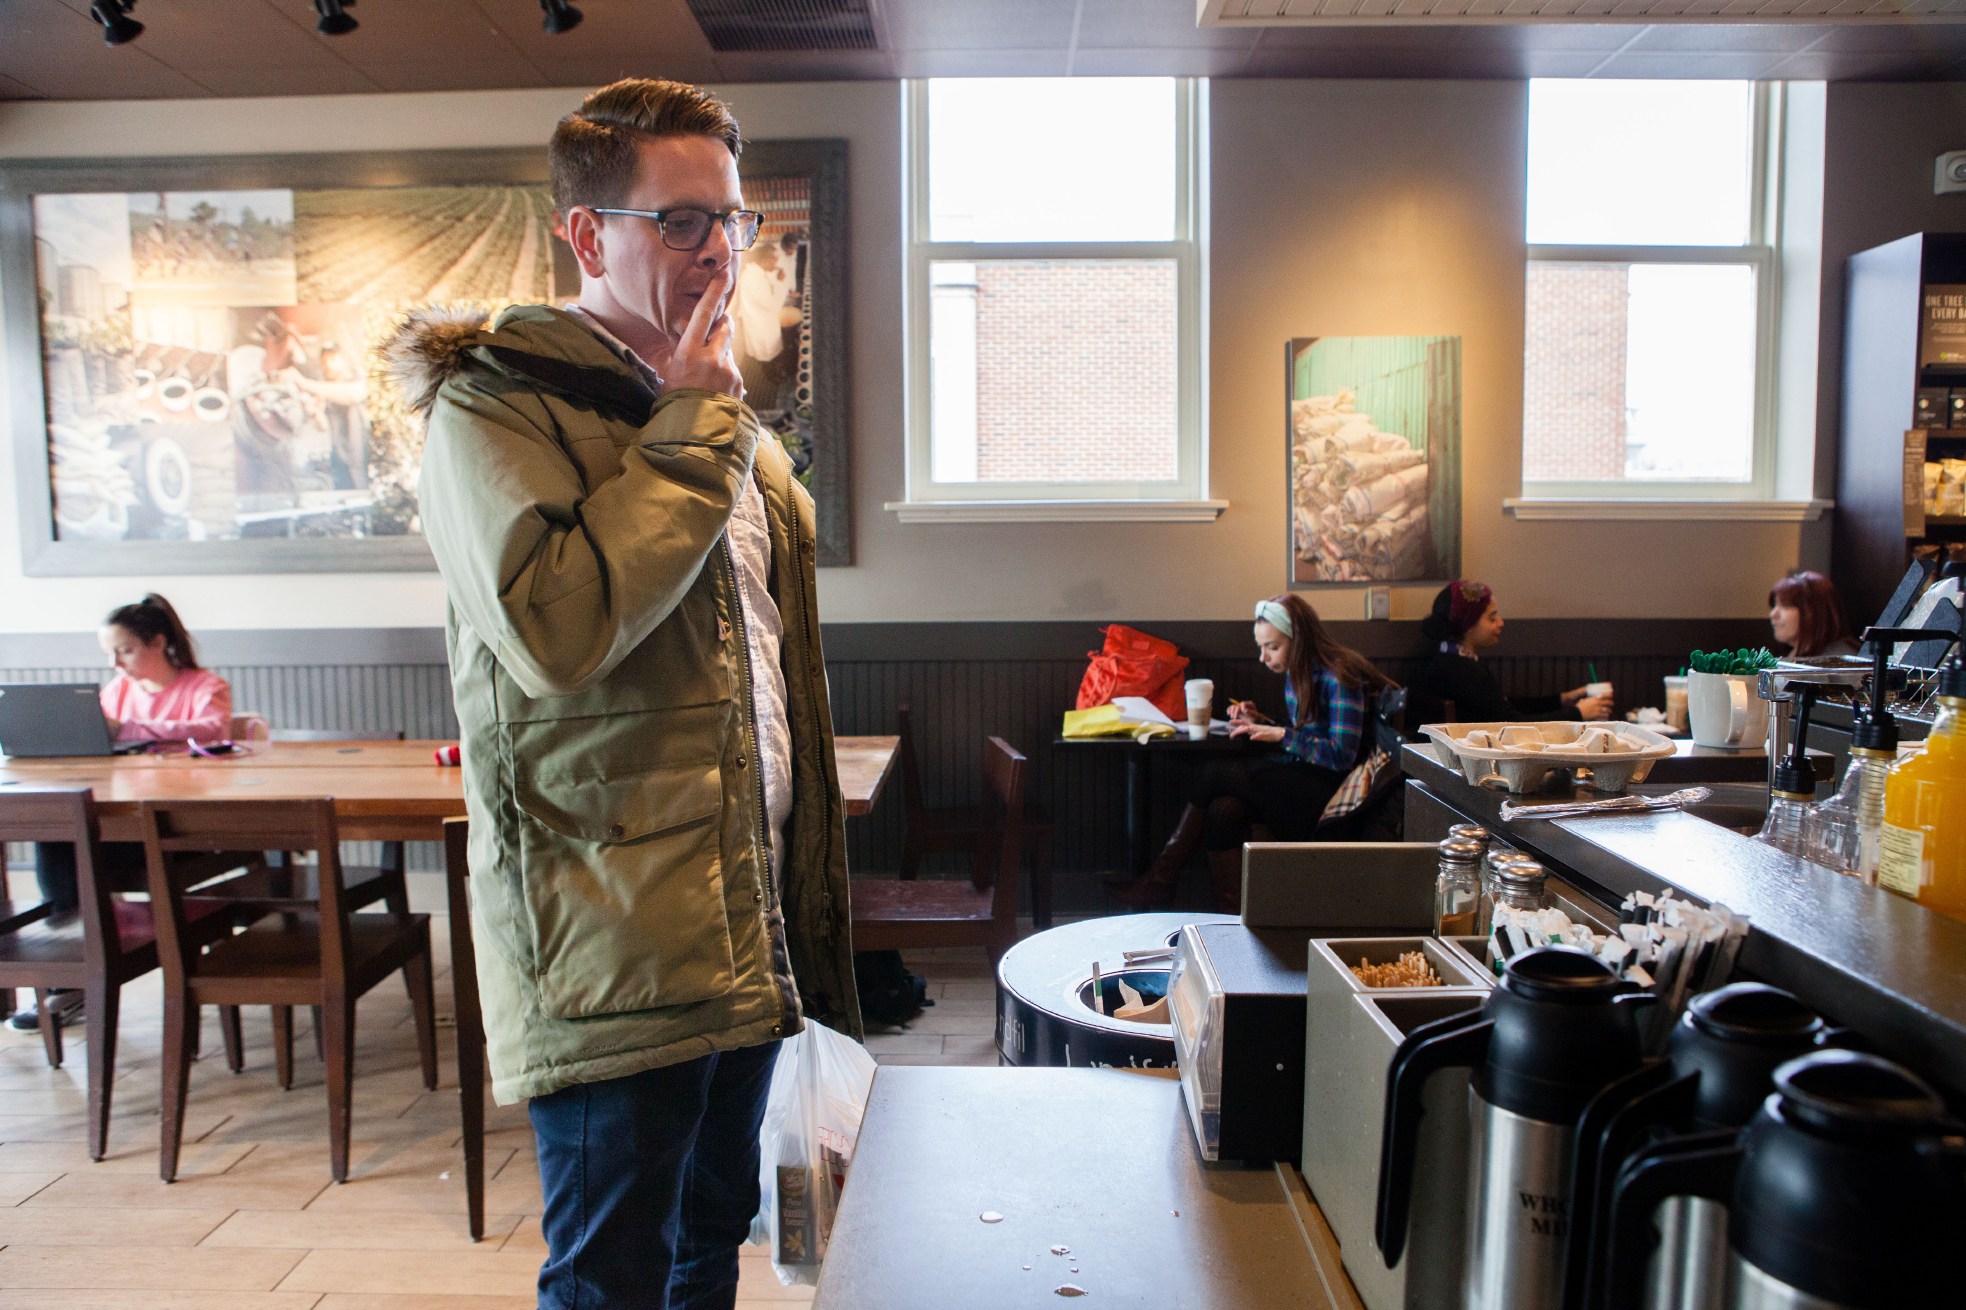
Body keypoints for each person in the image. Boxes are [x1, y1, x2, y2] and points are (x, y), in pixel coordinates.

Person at [391, 77, 858, 1310]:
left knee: (712, 1241)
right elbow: (558, 626)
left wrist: (711, 424)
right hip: (611, 929)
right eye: (682, 221)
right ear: (588, 235)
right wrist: (701, 424)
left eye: (733, 220)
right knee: (609, 1270)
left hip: (737, 907)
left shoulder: (724, 428)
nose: (719, 251)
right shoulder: (495, 404)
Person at [10, 593, 231, 1031]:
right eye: (110, 653)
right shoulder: (117, 692)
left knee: (73, 853)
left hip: (179, 826)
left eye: (124, 650)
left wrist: (129, 729)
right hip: (125, 820)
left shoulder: (204, 687)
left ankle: (91, 967)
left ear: (157, 643)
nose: (116, 663)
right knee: (56, 843)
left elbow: (211, 729)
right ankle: (72, 981)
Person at [1108, 595, 1396, 912]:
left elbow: (1341, 755)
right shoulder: (1298, 672)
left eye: (1272, 647)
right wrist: (1261, 723)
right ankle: (1231, 919)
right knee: (1223, 810)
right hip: (1308, 778)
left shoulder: (1339, 675)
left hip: (1336, 795)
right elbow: (1310, 735)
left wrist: (1282, 735)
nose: (1263, 656)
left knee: (1215, 773)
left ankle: (1160, 882)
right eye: (1261, 647)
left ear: (1298, 640)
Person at [1419, 580, 1613, 723]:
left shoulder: (1451, 660)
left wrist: (1562, 700)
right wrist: (1578, 713)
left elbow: (1502, 706)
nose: (1501, 623)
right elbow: (1512, 725)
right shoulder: (1462, 672)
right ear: (1468, 625)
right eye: (1492, 618)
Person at [1769, 570, 1859, 659]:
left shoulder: (1840, 660)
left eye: (1786, 605)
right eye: (1774, 605)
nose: (1773, 614)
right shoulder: (1795, 655)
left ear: (1814, 611)